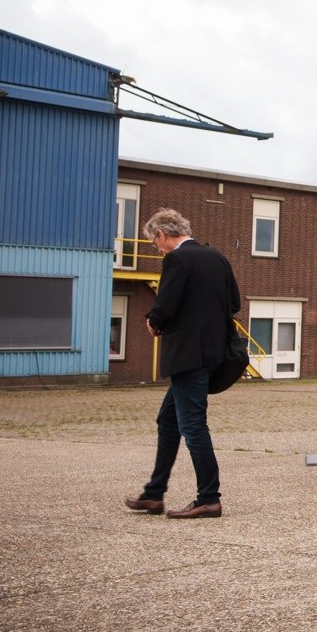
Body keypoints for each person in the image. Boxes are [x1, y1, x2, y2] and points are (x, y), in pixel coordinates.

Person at [123, 208, 241, 520]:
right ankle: (154, 494)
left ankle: (209, 499)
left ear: (162, 234)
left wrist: (154, 322)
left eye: (155, 242)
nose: (157, 248)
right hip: (214, 354)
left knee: (192, 425)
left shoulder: (177, 259)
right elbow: (234, 303)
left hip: (188, 357)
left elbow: (165, 305)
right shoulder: (217, 257)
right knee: (168, 420)